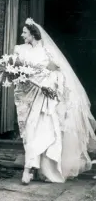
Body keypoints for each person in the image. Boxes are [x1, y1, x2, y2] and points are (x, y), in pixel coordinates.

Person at [13, 18, 96, 184]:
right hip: (30, 96)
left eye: (24, 32)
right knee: (31, 131)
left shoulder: (46, 51)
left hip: (46, 100)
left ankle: (39, 170)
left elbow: (59, 74)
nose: (22, 35)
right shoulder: (21, 51)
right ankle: (29, 169)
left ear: (33, 34)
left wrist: (50, 87)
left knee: (46, 132)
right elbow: (19, 73)